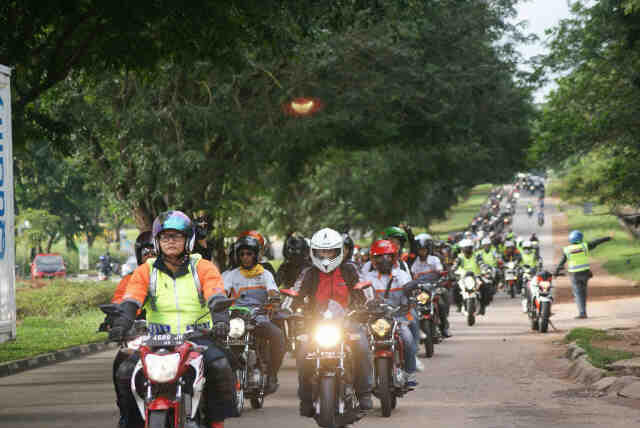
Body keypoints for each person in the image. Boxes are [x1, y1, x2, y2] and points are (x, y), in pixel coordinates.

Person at [109, 211, 233, 428]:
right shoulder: (145, 271)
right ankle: (131, 421)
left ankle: (216, 423)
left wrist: (221, 321)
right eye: (165, 237)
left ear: (188, 240)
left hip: (197, 337)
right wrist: (120, 324)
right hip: (156, 340)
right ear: (157, 242)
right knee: (124, 371)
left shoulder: (203, 267)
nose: (170, 242)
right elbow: (131, 301)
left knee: (221, 365)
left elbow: (216, 295)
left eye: (176, 236)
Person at [287, 227, 373, 416]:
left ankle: (364, 392)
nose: (326, 256)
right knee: (302, 353)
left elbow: (363, 287)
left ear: (338, 251)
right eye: (322, 252)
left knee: (362, 346)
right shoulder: (309, 273)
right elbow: (295, 292)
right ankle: (306, 398)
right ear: (314, 252)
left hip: (346, 321)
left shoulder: (349, 269)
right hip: (316, 324)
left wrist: (370, 303)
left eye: (330, 251)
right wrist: (286, 307)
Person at [223, 236, 285, 393]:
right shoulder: (231, 275)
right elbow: (222, 292)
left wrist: (274, 300)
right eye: (242, 254)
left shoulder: (265, 274)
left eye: (249, 254)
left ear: (256, 255)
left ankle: (272, 375)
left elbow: (272, 291)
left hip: (258, 318)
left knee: (278, 336)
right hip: (236, 320)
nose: (245, 257)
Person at [107, 231, 155, 428]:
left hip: (172, 336)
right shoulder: (129, 279)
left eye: (154, 251)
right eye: (146, 251)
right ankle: (127, 413)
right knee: (121, 364)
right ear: (138, 254)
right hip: (140, 337)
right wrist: (115, 320)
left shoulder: (177, 276)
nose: (150, 255)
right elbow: (119, 303)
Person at [362, 239, 418, 384]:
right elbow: (362, 297)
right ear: (373, 258)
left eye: (387, 256)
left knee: (408, 340)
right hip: (374, 319)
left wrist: (412, 293)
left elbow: (410, 293)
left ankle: (409, 374)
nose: (384, 260)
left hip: (397, 317)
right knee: (361, 344)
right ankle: (362, 380)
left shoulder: (402, 275)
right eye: (379, 256)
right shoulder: (368, 278)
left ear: (394, 257)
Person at [554, 230, 613, 319]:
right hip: (585, 273)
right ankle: (583, 310)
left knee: (578, 293)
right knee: (583, 292)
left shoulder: (567, 250)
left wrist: (556, 272)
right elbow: (597, 241)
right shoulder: (585, 246)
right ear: (580, 238)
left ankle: (582, 313)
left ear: (571, 239)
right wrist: (608, 238)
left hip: (574, 275)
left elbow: (561, 262)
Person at [410, 233, 450, 337]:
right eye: (420, 250)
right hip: (420, 290)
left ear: (428, 249)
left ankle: (444, 326)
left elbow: (440, 271)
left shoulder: (434, 259)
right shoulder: (415, 263)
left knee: (441, 303)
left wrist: (442, 277)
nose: (422, 252)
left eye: (424, 249)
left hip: (434, 287)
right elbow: (412, 275)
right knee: (416, 306)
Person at [451, 239, 489, 314]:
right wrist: (452, 272)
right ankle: (459, 305)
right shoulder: (459, 257)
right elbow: (454, 266)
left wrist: (485, 270)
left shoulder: (477, 256)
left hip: (476, 276)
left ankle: (483, 306)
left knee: (485, 287)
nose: (467, 250)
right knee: (454, 287)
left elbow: (482, 264)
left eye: (469, 248)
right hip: (463, 277)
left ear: (472, 248)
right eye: (465, 248)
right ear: (462, 249)